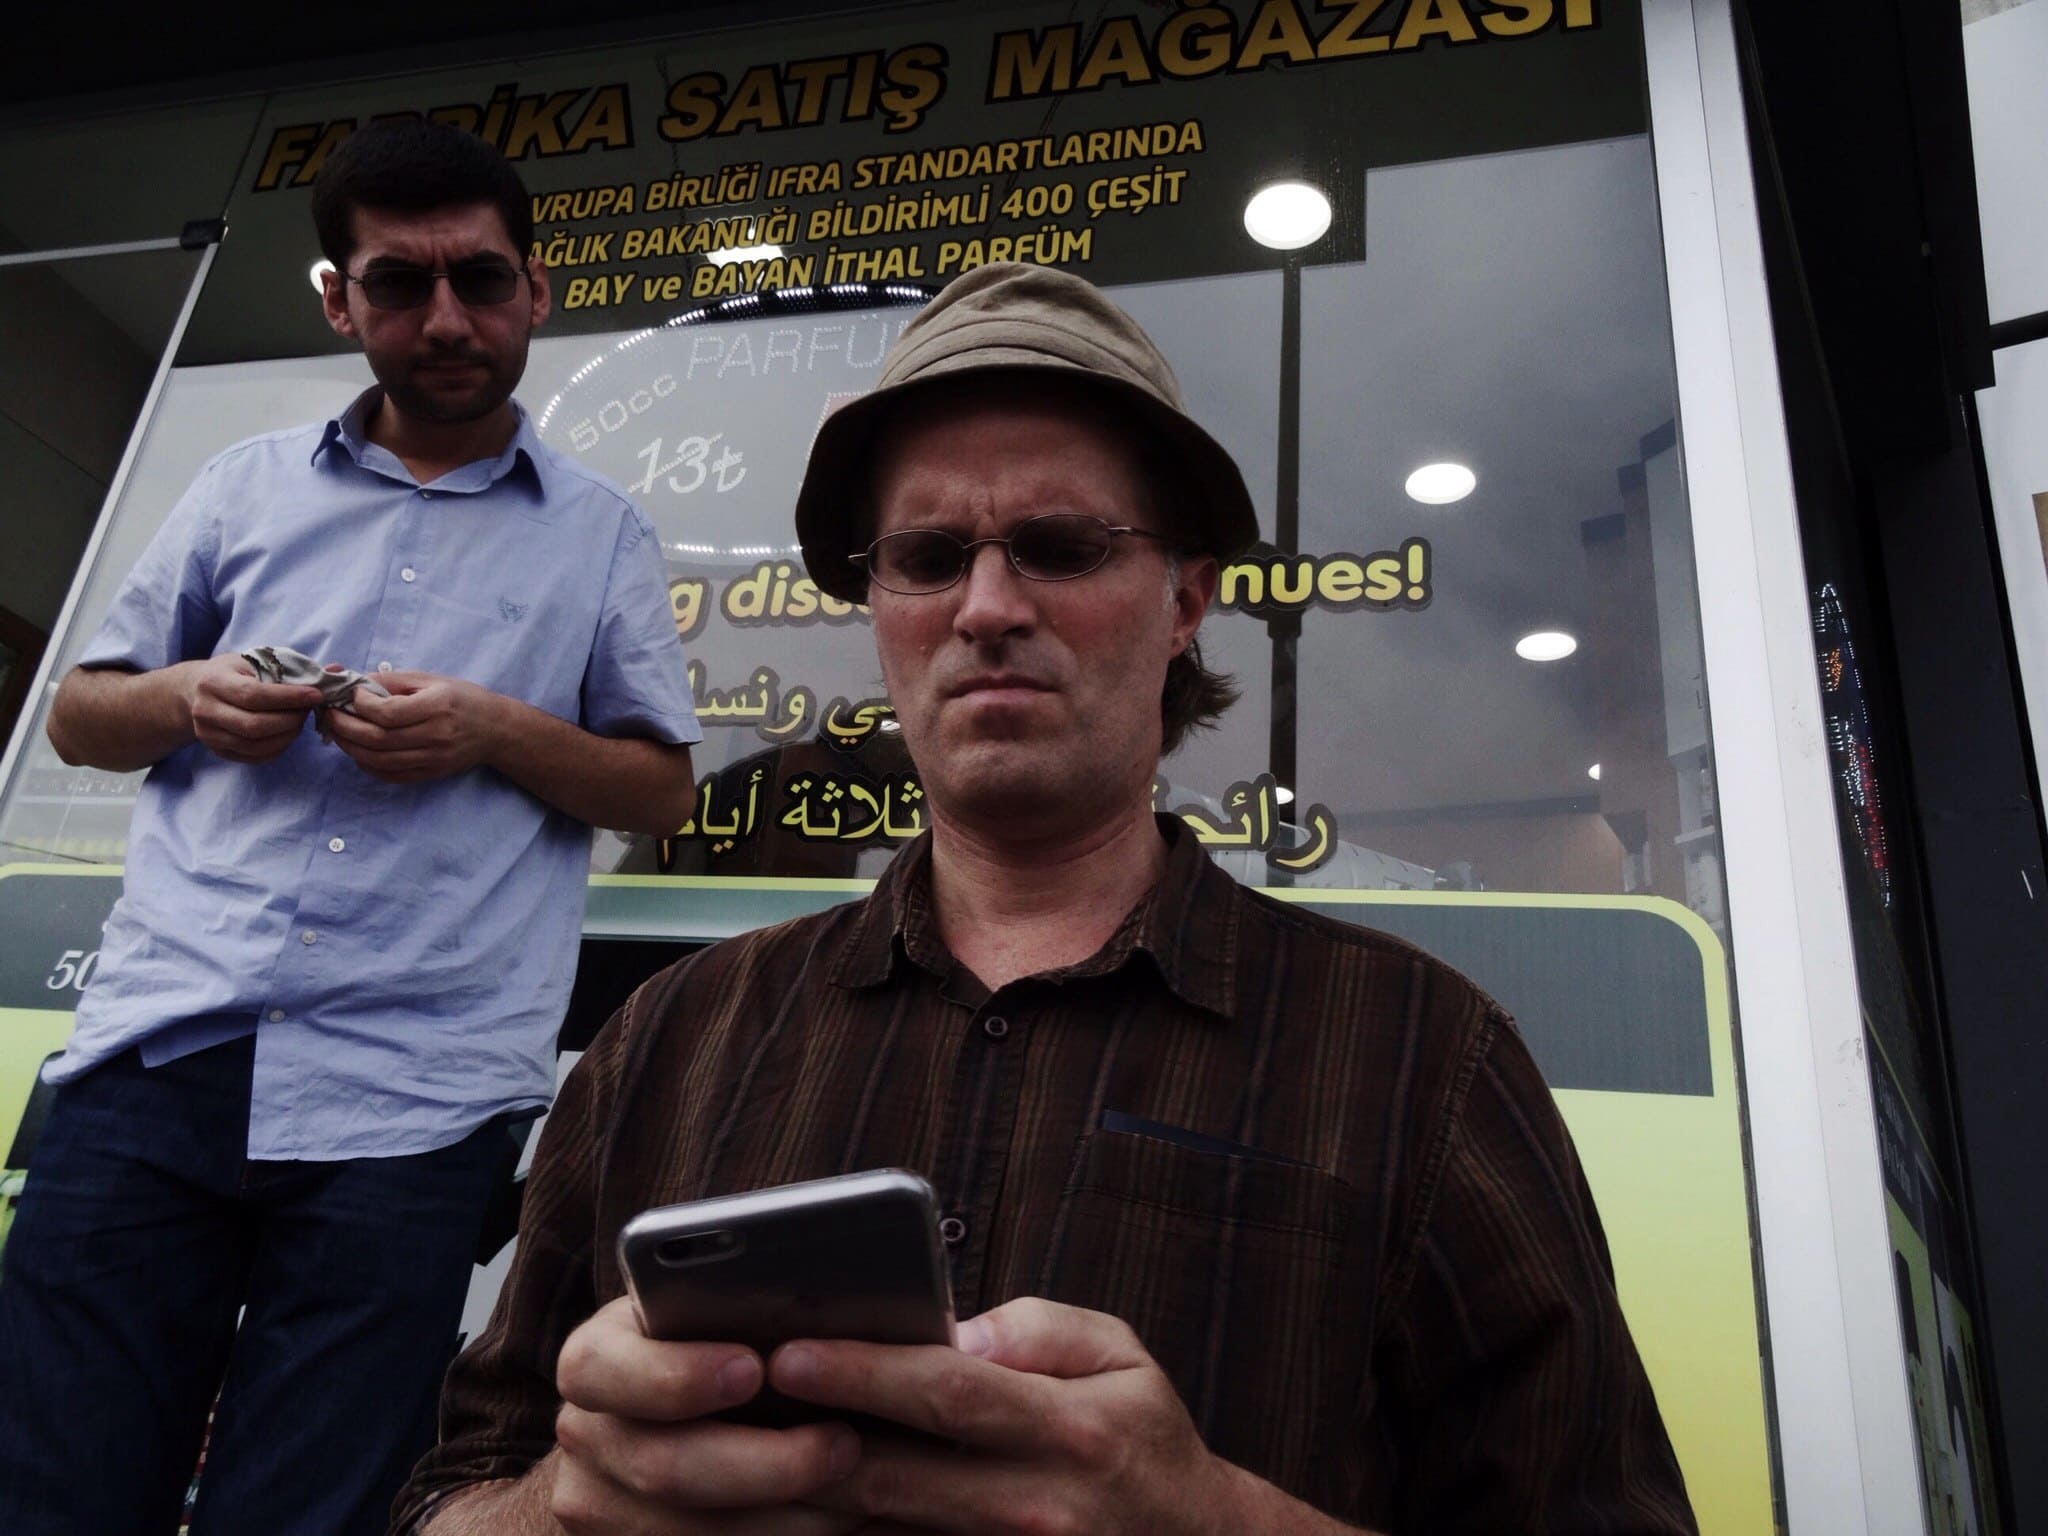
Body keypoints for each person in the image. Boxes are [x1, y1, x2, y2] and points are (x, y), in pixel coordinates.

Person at [397, 263, 1695, 1536]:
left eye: (1061, 547)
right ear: (877, 605)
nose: (987, 607)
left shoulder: (1417, 1058)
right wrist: (564, 1506)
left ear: (1186, 600)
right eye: (927, 555)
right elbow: (453, 1491)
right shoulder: (671, 1043)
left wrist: (1213, 1520)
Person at [0, 118, 699, 1536]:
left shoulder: (605, 533)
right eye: (399, 283)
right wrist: (190, 697)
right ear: (339, 301)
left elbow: (659, 790)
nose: (446, 319)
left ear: (534, 290)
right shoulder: (239, 486)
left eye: (480, 279)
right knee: (52, 1493)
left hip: (415, 1091)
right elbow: (77, 717)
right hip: (163, 1050)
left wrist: (492, 731)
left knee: (311, 1513)